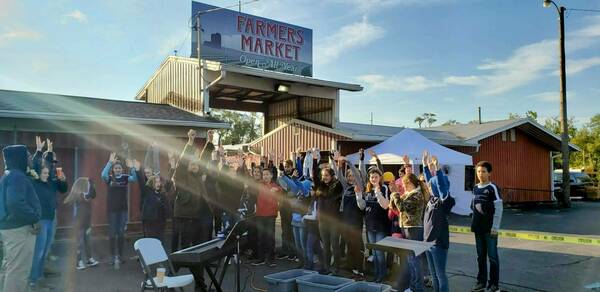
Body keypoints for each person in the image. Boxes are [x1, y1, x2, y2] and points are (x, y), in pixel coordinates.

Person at [0, 144, 41, 292]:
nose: (30, 159)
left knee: (9, 268)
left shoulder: (9, 175)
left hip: (10, 229)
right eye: (28, 156)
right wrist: (34, 218)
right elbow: (15, 203)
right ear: (20, 158)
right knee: (18, 271)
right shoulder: (17, 176)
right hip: (19, 230)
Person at [29, 137, 68, 288]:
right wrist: (39, 151)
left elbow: (63, 189)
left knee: (45, 250)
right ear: (39, 172)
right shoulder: (34, 181)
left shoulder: (52, 179)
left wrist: (63, 180)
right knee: (38, 251)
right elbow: (36, 164)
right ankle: (33, 280)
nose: (46, 174)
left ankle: (39, 276)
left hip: (51, 219)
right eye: (43, 172)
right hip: (41, 220)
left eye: (47, 172)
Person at [171, 129, 213, 252]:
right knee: (186, 243)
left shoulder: (198, 174)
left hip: (198, 214)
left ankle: (196, 264)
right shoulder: (181, 175)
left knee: (198, 243)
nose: (195, 166)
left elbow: (204, 158)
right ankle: (182, 263)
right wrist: (190, 141)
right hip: (185, 215)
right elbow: (182, 161)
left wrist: (209, 141)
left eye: (196, 164)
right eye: (192, 164)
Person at [390, 173, 429, 292]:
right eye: (403, 183)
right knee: (411, 260)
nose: (404, 185)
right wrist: (393, 194)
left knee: (414, 260)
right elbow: (394, 207)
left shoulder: (416, 195)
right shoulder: (408, 194)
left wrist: (396, 193)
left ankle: (418, 287)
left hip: (414, 229)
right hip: (407, 228)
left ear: (413, 183)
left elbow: (402, 208)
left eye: (406, 183)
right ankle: (413, 286)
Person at [422, 152, 455, 292]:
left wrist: (438, 169)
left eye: (430, 186)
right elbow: (431, 180)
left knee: (440, 275)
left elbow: (440, 185)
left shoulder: (443, 201)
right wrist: (425, 165)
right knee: (434, 275)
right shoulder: (431, 199)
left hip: (438, 243)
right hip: (428, 242)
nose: (428, 187)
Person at [101, 152, 138, 269]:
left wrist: (132, 167)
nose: (117, 170)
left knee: (121, 233)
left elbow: (135, 178)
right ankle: (112, 257)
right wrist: (109, 163)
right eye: (116, 168)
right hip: (112, 210)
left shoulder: (125, 178)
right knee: (112, 233)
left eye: (119, 168)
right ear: (113, 169)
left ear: (122, 169)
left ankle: (120, 256)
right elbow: (103, 175)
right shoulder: (109, 178)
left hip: (122, 210)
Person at [331, 153, 365, 279]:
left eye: (352, 176)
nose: (351, 177)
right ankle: (353, 268)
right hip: (345, 222)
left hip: (356, 222)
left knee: (357, 246)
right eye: (349, 175)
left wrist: (349, 163)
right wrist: (339, 165)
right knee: (350, 246)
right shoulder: (346, 188)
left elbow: (357, 174)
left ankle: (360, 270)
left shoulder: (359, 187)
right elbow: (340, 176)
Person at [471, 161, 503, 292]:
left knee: (492, 257)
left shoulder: (492, 188)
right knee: (480, 256)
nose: (480, 174)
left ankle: (494, 284)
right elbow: (473, 206)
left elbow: (499, 208)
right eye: (478, 171)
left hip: (490, 230)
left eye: (483, 171)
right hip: (478, 228)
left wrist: (495, 227)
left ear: (489, 173)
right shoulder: (475, 188)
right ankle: (481, 282)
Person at [312, 149, 343, 275]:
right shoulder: (319, 185)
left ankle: (336, 268)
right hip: (322, 220)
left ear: (332, 176)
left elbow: (338, 183)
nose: (324, 177)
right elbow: (314, 175)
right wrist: (315, 161)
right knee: (325, 245)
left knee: (335, 245)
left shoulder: (337, 186)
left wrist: (336, 163)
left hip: (334, 221)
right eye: (323, 175)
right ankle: (326, 267)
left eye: (327, 175)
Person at [356, 167, 390, 283]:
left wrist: (378, 192)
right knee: (374, 253)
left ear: (380, 178)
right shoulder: (367, 189)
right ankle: (376, 275)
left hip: (380, 226)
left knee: (380, 253)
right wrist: (359, 196)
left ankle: (382, 275)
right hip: (370, 226)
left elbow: (386, 205)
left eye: (376, 177)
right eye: (372, 177)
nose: (374, 179)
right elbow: (362, 207)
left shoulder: (384, 188)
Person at [63, 177, 99, 270]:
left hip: (87, 220)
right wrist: (90, 185)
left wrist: (92, 186)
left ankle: (89, 259)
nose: (88, 186)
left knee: (87, 239)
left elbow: (93, 195)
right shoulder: (80, 194)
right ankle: (78, 262)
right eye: (86, 184)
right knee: (78, 242)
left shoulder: (86, 193)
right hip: (79, 221)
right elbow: (88, 196)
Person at [252, 167, 281, 268]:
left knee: (270, 238)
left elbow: (281, 192)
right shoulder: (259, 185)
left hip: (270, 215)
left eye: (267, 174)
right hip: (260, 215)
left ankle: (271, 259)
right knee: (261, 237)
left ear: (271, 176)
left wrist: (277, 190)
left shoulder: (275, 186)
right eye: (263, 175)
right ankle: (261, 258)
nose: (265, 176)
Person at [142, 175, 170, 242]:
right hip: (150, 221)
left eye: (159, 182)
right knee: (150, 241)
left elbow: (167, 208)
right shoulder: (148, 192)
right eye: (156, 182)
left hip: (161, 222)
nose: (158, 184)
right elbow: (141, 182)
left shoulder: (163, 194)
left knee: (160, 241)